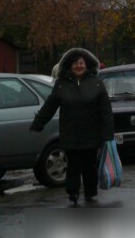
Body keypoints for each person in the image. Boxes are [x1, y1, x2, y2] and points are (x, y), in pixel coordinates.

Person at [30, 48, 114, 206]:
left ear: (87, 65)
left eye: (81, 63)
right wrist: (37, 124)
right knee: (73, 166)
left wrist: (108, 135)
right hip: (70, 134)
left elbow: (106, 112)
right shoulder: (62, 85)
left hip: (92, 134)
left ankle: (90, 192)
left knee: (90, 165)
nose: (79, 66)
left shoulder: (96, 84)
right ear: (70, 66)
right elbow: (50, 106)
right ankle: (73, 193)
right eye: (76, 63)